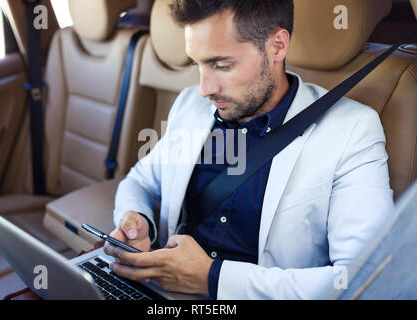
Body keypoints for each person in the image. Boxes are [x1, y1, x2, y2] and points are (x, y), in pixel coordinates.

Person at [101, 0, 395, 299]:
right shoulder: (190, 104)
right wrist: (136, 220)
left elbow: (366, 278)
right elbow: (140, 180)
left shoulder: (352, 129)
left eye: (222, 65)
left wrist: (212, 278)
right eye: (197, 63)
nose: (205, 88)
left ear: (277, 46)